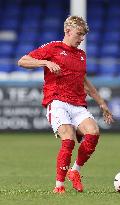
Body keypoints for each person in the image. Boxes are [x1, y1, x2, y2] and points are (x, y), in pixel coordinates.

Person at [18, 15, 114, 194]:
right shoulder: (53, 47)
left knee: (93, 132)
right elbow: (22, 61)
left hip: (77, 104)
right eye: (79, 34)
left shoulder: (81, 55)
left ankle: (74, 171)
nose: (81, 39)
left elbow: (85, 82)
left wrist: (102, 103)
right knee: (68, 139)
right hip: (57, 102)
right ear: (67, 31)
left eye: (83, 35)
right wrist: (45, 62)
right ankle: (59, 186)